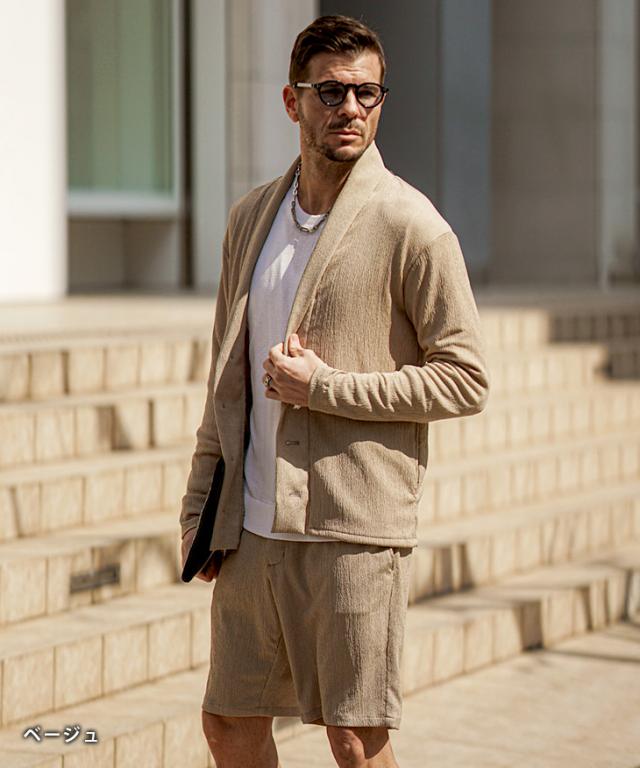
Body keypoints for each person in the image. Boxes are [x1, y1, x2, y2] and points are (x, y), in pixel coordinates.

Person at [179, 14, 489, 768]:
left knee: (355, 739)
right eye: (330, 92)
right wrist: (201, 505)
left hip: (352, 528)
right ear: (293, 101)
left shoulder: (413, 226)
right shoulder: (251, 219)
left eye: (366, 93)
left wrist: (326, 387)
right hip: (253, 526)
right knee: (229, 724)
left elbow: (466, 377)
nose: (350, 108)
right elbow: (226, 377)